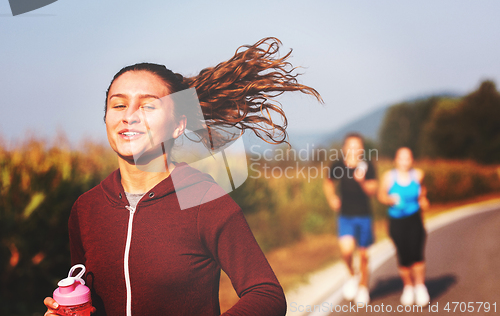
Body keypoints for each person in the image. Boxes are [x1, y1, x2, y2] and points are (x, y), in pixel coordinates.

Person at [43, 38, 321, 316]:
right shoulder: (87, 208)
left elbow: (266, 294)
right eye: (118, 105)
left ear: (178, 125)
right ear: (106, 118)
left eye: (148, 106)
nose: (130, 116)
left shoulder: (202, 198)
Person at [323, 133, 377, 305]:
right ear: (345, 148)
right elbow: (328, 181)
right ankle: (352, 276)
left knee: (363, 256)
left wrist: (361, 181)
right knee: (346, 251)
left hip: (364, 216)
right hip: (345, 216)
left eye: (358, 146)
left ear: (362, 149)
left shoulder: (367, 165)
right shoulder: (338, 165)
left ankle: (363, 287)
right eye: (351, 146)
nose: (354, 150)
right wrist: (332, 198)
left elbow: (373, 190)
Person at [377, 147, 430, 306]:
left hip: (414, 219)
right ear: (396, 160)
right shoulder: (389, 177)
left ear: (412, 160)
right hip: (396, 221)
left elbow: (423, 191)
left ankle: (420, 286)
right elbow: (381, 195)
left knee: (416, 253)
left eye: (408, 158)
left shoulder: (418, 175)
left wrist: (423, 199)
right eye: (401, 158)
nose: (405, 162)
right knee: (403, 255)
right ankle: (408, 286)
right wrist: (389, 200)